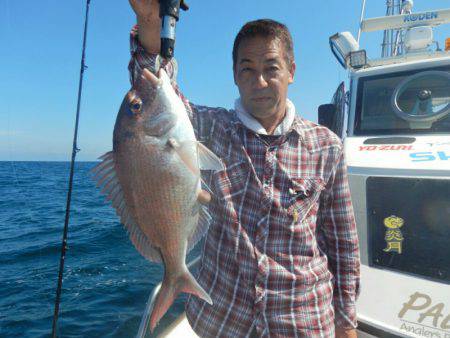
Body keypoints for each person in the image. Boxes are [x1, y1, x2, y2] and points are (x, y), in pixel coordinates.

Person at [128, 1, 361, 337]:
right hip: (222, 319)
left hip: (302, 321)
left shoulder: (326, 146)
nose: (260, 82)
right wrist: (150, 21)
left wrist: (347, 322)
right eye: (247, 69)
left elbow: (343, 242)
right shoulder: (208, 128)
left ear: (291, 71)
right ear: (235, 75)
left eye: (272, 68)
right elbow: (150, 92)